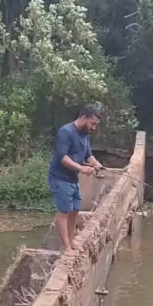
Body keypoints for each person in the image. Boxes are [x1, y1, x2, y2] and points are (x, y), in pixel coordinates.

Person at [48, 104, 103, 255]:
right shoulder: (66, 132)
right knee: (64, 211)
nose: (93, 128)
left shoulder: (85, 134)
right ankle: (66, 247)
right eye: (92, 123)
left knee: (75, 209)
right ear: (83, 118)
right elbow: (63, 158)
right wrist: (81, 168)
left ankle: (71, 241)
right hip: (60, 177)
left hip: (72, 178)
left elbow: (88, 155)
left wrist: (95, 163)